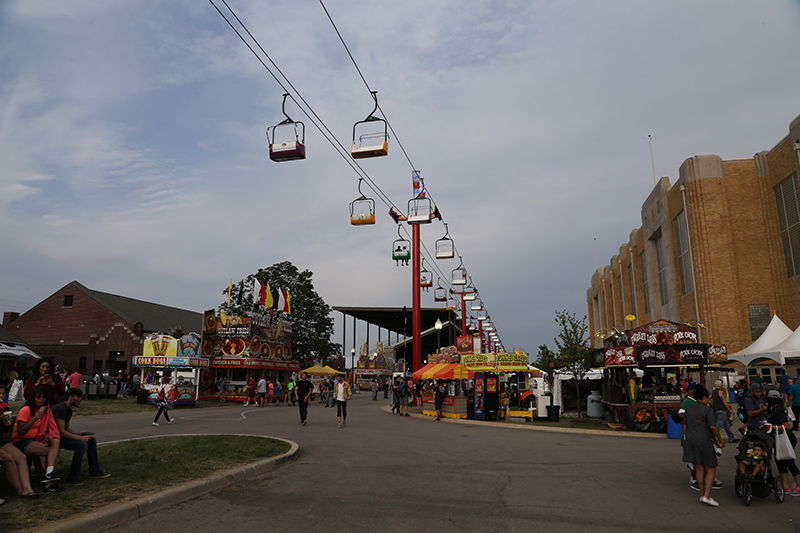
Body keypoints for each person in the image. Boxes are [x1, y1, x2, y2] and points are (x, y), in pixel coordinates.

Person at [12, 387, 65, 493]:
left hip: (36, 438)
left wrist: (45, 434)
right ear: (33, 398)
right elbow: (21, 431)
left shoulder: (45, 410)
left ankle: (49, 476)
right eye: (38, 397)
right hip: (22, 440)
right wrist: (35, 418)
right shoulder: (25, 410)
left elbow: (43, 426)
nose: (41, 400)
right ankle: (48, 482)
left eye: (44, 397)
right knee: (51, 452)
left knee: (55, 444)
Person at [51, 388, 110, 484]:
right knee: (81, 445)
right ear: (71, 397)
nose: (80, 399)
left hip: (60, 436)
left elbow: (67, 429)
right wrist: (80, 438)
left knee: (91, 440)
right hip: (53, 439)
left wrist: (81, 434)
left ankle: (94, 471)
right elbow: (61, 431)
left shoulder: (68, 410)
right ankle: (72, 477)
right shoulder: (61, 409)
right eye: (78, 397)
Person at [682, 386, 725, 506]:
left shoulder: (689, 409)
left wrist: (688, 436)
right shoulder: (707, 410)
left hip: (691, 439)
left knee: (699, 467)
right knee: (711, 467)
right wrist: (719, 439)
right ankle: (707, 495)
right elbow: (712, 427)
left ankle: (702, 494)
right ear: (705, 397)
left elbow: (685, 426)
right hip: (704, 440)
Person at [766, 389, 800, 494]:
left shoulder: (777, 410)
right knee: (780, 461)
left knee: (788, 462)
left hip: (784, 439)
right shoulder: (778, 409)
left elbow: (787, 426)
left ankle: (798, 485)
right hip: (781, 439)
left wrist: (772, 427)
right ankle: (786, 486)